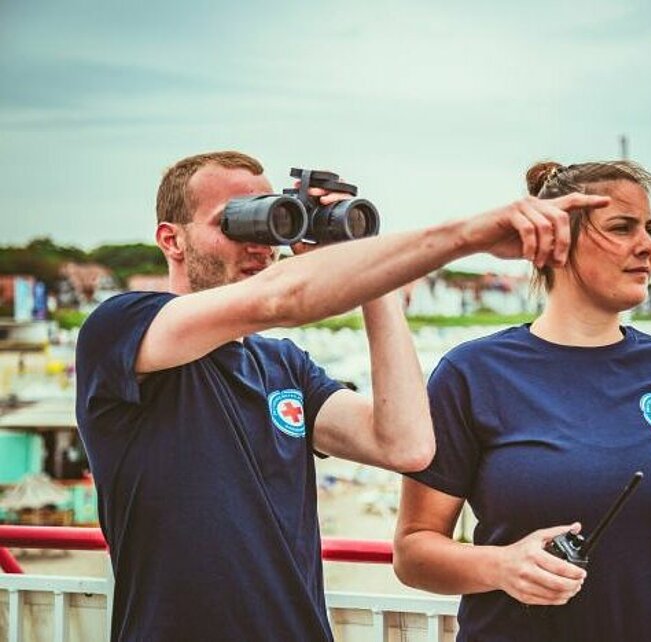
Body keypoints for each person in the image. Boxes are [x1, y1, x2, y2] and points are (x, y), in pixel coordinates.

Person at [74, 150, 610, 642]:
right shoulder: (121, 332)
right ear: (172, 239)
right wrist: (465, 235)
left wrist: (368, 272)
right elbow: (278, 298)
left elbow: (404, 445)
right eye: (233, 222)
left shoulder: (282, 366)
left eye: (269, 218)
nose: (258, 243)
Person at [393, 160, 651, 642]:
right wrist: (502, 566)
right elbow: (413, 552)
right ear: (557, 242)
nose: (647, 246)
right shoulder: (471, 374)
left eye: (650, 229)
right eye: (622, 228)